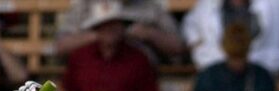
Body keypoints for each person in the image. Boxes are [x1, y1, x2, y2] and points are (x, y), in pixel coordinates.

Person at [181, 0, 279, 77]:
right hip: (217, 75)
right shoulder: (208, 4)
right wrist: (197, 47)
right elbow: (190, 24)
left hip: (263, 73)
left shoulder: (275, 3)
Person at [54, 0, 185, 65]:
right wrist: (100, 34)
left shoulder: (150, 7)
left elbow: (178, 48)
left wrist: (149, 33)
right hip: (91, 77)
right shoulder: (85, 6)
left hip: (138, 81)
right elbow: (60, 47)